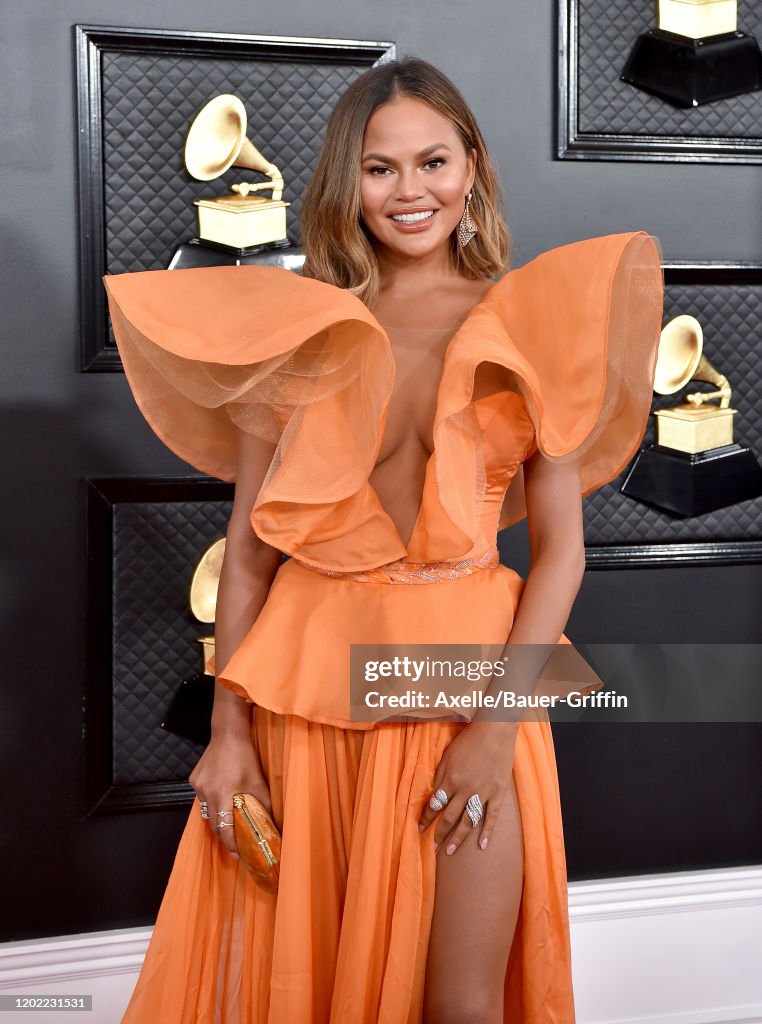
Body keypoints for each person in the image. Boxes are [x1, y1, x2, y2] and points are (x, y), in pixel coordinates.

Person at [103, 56, 664, 1023]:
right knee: (311, 988)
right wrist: (228, 732)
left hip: (465, 685)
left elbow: (562, 552)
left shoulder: (533, 322)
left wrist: (493, 734)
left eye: (433, 160)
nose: (412, 191)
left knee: (464, 1003)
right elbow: (247, 552)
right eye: (380, 168)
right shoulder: (300, 332)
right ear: (346, 184)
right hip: (310, 696)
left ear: (473, 164)